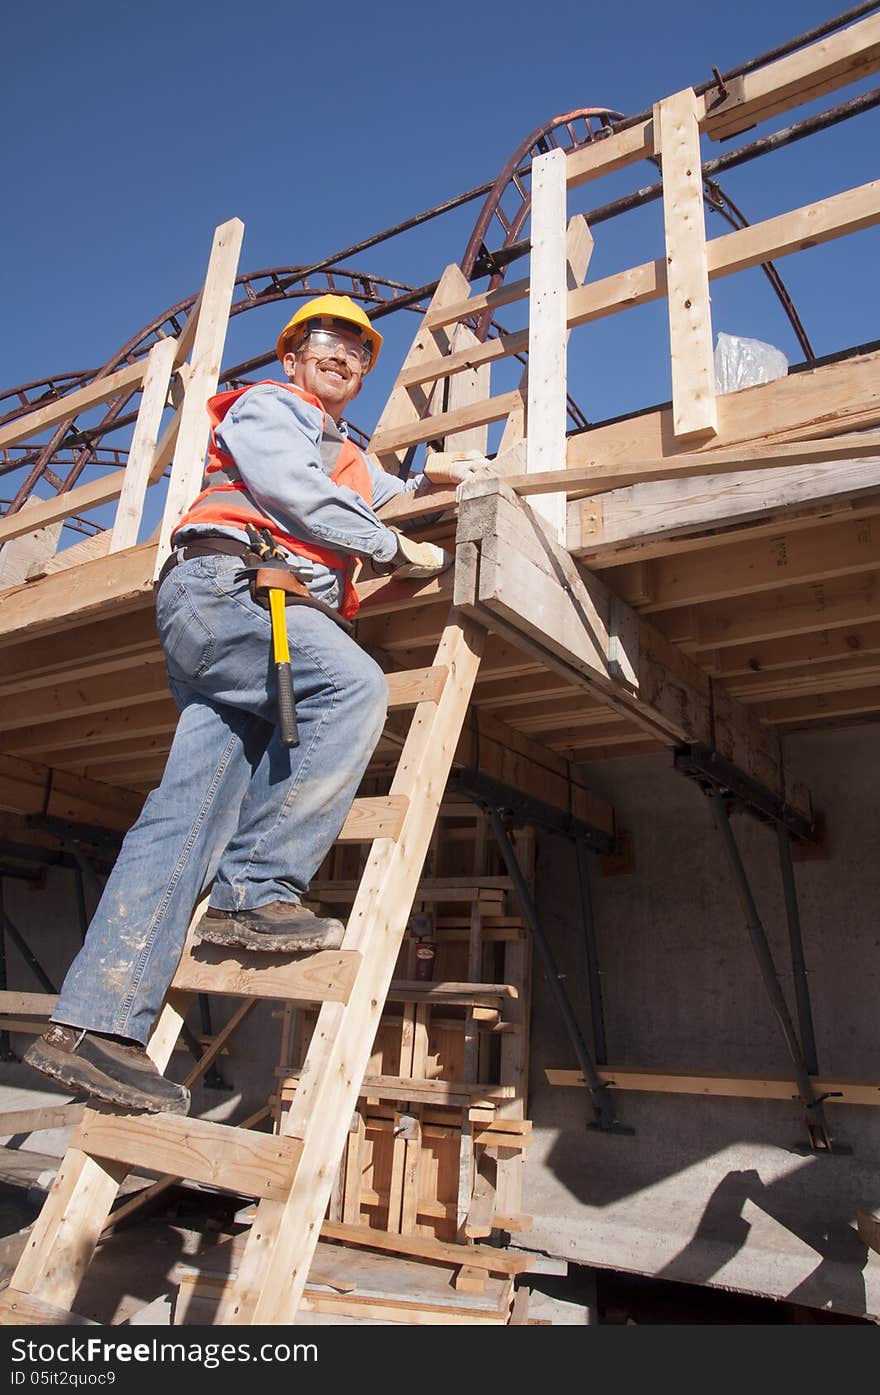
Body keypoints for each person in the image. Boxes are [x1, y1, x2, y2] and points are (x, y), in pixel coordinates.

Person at [24, 294, 498, 1115]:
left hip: (245, 616)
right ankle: (254, 893)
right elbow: (297, 494)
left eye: (359, 353)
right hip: (230, 590)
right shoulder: (273, 409)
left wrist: (432, 480)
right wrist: (392, 548)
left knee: (186, 816)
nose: (344, 359)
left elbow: (374, 491)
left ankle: (94, 1028)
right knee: (352, 688)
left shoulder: (342, 452)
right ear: (292, 356)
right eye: (328, 345)